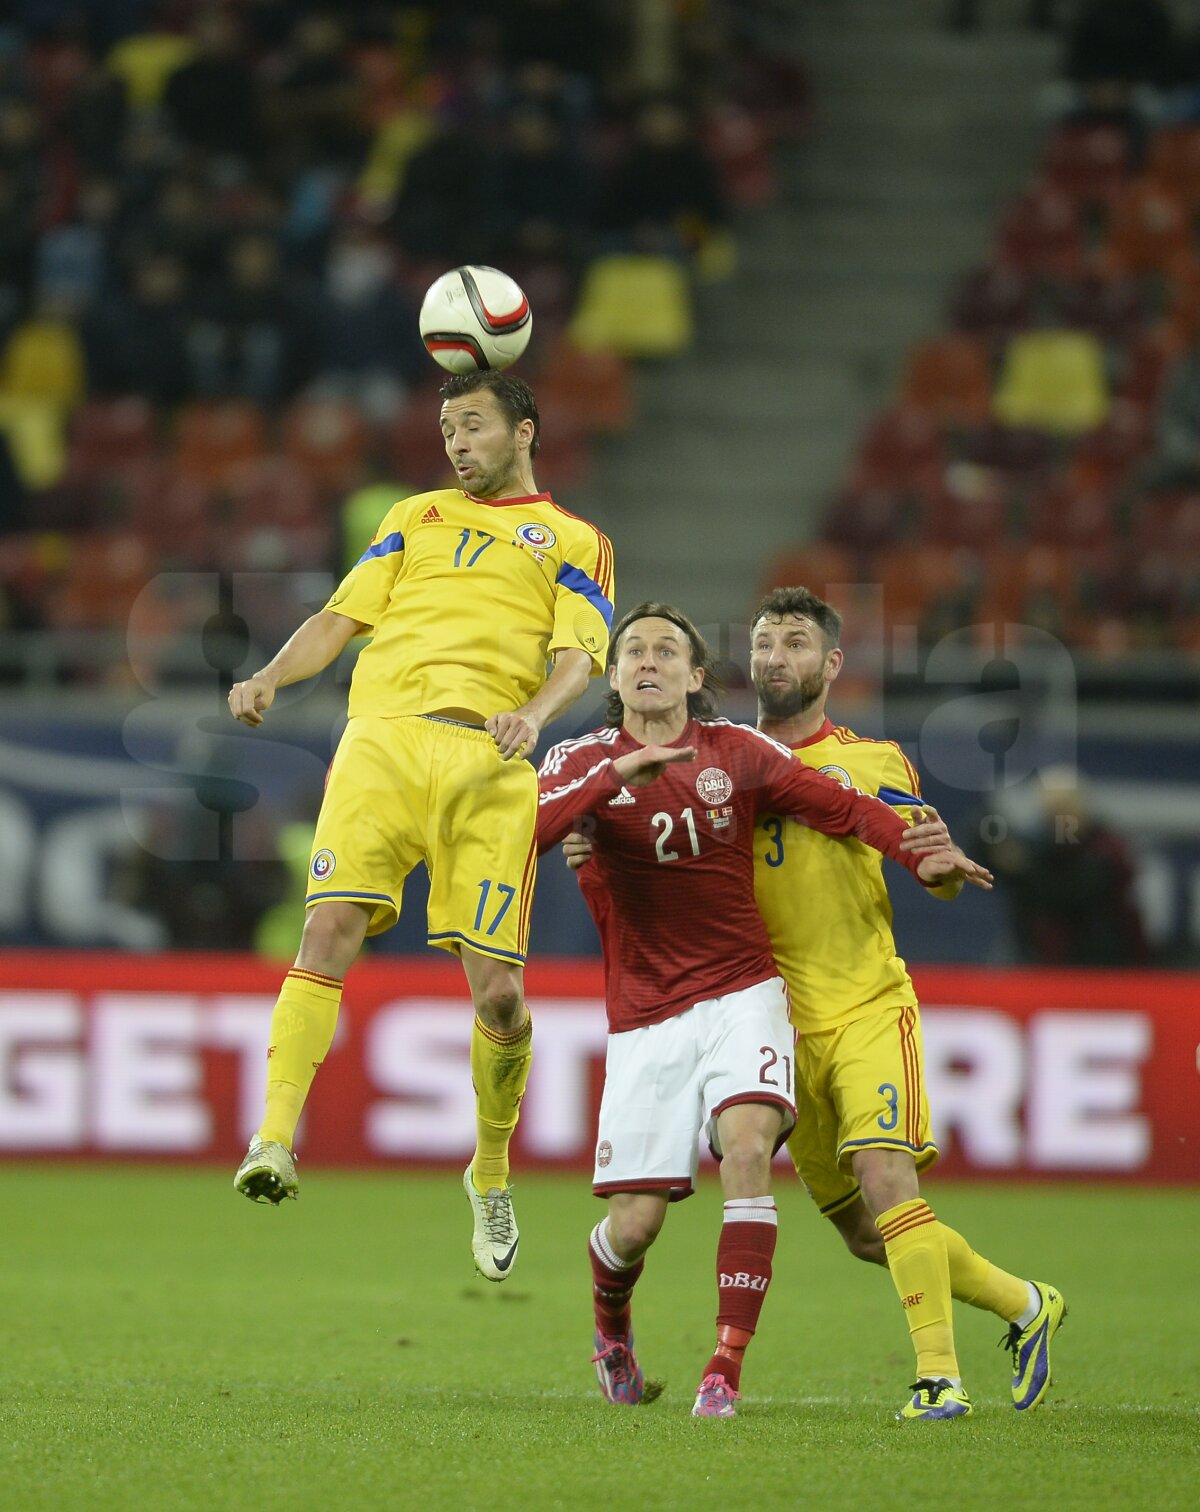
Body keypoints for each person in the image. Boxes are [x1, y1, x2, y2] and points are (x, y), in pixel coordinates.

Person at [538, 602, 989, 1419]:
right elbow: (521, 831)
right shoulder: (578, 757)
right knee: (633, 1228)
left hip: (746, 991)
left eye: (667, 650)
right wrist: (605, 789)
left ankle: (724, 1369)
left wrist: (921, 854)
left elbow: (843, 805)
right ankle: (612, 1325)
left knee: (747, 1150)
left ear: (696, 677)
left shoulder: (736, 754)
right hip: (645, 1014)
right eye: (632, 649)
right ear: (610, 675)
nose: (648, 660)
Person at [227, 369, 615, 1285]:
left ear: (524, 429)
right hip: (382, 743)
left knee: (500, 1000)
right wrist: (273, 676)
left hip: (489, 758)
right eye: (446, 427)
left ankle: (488, 1170)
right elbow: (340, 616)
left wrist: (535, 712)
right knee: (327, 928)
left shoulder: (576, 540)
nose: (455, 441)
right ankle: (273, 1139)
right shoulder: (411, 516)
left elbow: (579, 655)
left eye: (472, 424)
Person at [747, 585, 1067, 1421]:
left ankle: (938, 1379)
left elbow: (924, 858)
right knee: (862, 1233)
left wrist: (935, 867)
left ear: (831, 664)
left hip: (864, 1003)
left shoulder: (870, 761)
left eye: (793, 642)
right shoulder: (723, 760)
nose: (775, 657)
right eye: (764, 642)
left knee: (888, 1179)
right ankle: (1028, 1304)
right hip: (776, 1025)